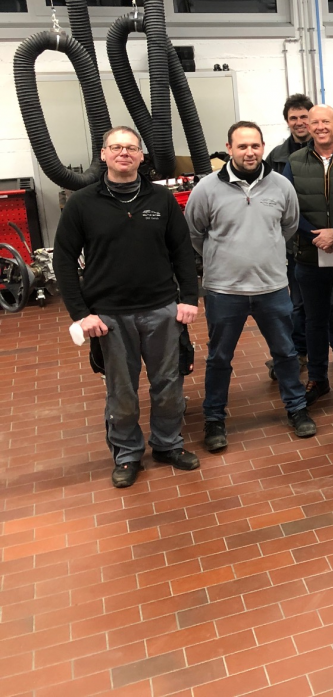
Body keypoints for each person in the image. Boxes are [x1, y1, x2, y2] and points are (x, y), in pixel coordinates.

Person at [53, 127, 200, 488]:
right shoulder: (82, 203)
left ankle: (167, 444)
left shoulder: (161, 199)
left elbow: (183, 251)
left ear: (141, 156)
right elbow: (64, 260)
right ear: (103, 154)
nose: (124, 153)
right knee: (121, 390)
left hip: (162, 309)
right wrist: (81, 314)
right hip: (110, 315)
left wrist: (188, 298)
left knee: (169, 383)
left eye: (131, 148)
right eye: (116, 147)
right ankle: (127, 453)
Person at [185, 121, 314, 451]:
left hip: (272, 287)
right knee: (219, 358)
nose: (250, 152)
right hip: (224, 291)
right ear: (229, 148)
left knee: (285, 353)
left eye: (255, 145)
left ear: (263, 147)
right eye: (242, 146)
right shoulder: (206, 189)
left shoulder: (281, 186)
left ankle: (297, 408)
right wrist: (224, 258)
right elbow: (195, 234)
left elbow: (288, 227)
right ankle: (214, 418)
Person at [283, 104, 333, 403]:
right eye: (314, 122)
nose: (320, 127)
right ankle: (318, 380)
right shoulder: (294, 162)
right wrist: (315, 236)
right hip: (309, 254)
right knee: (314, 320)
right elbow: (288, 207)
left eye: (326, 122)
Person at [267, 93, 333, 371]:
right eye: (294, 118)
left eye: (304, 117)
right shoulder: (279, 158)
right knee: (300, 304)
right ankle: (299, 352)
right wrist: (313, 234)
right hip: (298, 245)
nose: (300, 122)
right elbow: (279, 203)